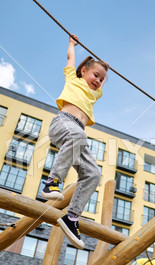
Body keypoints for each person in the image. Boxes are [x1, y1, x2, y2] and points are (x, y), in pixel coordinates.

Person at [41, 34, 108, 250]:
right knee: (79, 136)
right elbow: (70, 60)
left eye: (102, 79)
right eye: (95, 75)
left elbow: (101, 76)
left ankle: (71, 218)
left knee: (93, 173)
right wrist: (72, 45)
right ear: (83, 72)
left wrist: (104, 67)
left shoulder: (95, 95)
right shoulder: (73, 79)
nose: (98, 81)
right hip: (62, 124)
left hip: (77, 134)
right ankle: (51, 182)